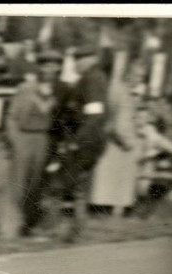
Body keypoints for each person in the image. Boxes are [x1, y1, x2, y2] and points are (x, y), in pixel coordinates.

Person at [3, 50, 64, 237]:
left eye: (54, 65)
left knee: (37, 183)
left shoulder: (61, 90)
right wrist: (15, 140)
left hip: (44, 138)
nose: (49, 70)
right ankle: (10, 227)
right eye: (45, 65)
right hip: (24, 136)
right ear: (39, 67)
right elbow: (11, 116)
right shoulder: (26, 88)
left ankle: (31, 225)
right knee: (18, 182)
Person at [54, 45, 109, 242]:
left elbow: (95, 114)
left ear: (89, 60)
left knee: (71, 185)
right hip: (87, 138)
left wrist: (77, 141)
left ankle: (71, 231)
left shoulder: (92, 78)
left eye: (78, 59)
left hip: (86, 139)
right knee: (76, 185)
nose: (75, 64)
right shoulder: (92, 77)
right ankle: (74, 231)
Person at [89, 52, 139, 216]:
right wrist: (128, 142)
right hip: (117, 142)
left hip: (110, 138)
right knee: (113, 178)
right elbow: (120, 122)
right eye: (137, 75)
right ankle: (108, 209)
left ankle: (103, 207)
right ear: (128, 74)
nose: (139, 80)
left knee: (106, 178)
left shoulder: (116, 88)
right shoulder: (122, 92)